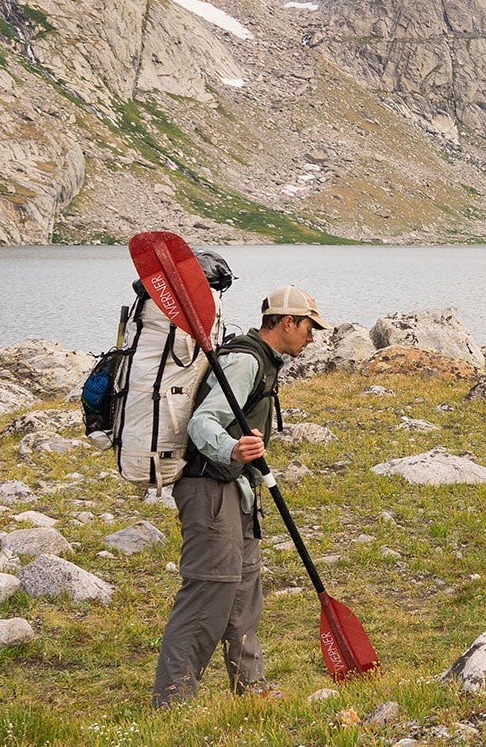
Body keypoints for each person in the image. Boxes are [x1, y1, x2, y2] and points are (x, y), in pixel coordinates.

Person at [151, 285, 325, 707]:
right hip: (209, 487)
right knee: (208, 592)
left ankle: (251, 687)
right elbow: (202, 422)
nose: (312, 337)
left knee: (244, 591)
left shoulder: (264, 362)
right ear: (287, 323)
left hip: (236, 488)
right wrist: (231, 448)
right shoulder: (245, 361)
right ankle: (172, 701)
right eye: (309, 328)